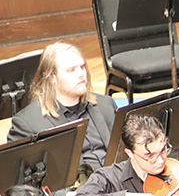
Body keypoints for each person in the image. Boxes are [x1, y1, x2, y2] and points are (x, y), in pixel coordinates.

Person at [7, 40, 116, 170]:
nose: (81, 74)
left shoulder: (106, 105)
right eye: (71, 70)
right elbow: (20, 180)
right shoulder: (28, 124)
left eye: (82, 67)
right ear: (52, 77)